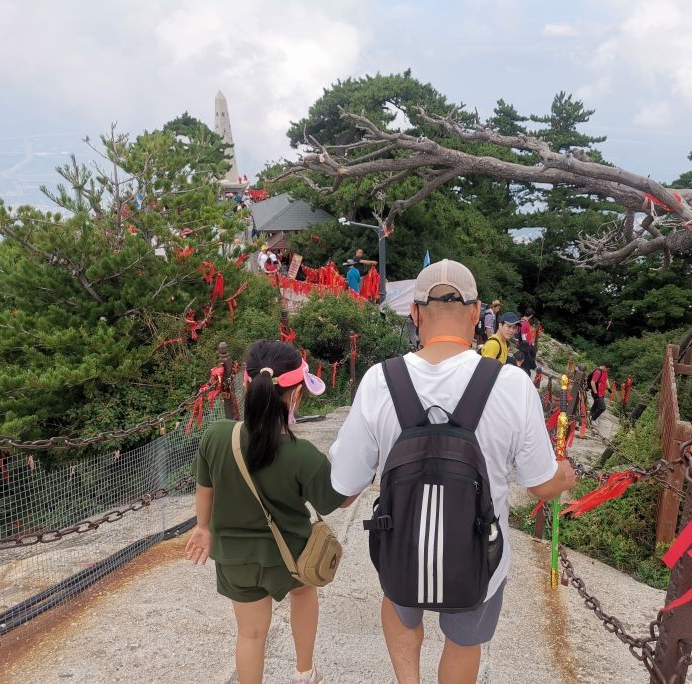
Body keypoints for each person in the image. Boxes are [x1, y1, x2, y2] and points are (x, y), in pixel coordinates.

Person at [327, 259, 576, 684]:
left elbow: (344, 489)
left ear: (415, 313)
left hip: (401, 543)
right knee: (464, 641)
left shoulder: (378, 381)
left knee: (401, 608)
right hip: (479, 555)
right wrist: (567, 474)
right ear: (477, 314)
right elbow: (541, 487)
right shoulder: (512, 384)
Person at [185, 340, 346, 684]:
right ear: (297, 394)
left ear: (246, 383)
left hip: (235, 560)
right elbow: (337, 500)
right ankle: (304, 671)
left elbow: (205, 485)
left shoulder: (216, 436)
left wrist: (202, 526)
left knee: (251, 634)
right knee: (304, 591)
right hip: (291, 555)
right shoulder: (303, 455)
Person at [517, 308, 537, 376]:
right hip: (525, 346)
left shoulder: (525, 321)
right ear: (531, 315)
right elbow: (523, 335)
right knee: (525, 361)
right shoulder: (523, 322)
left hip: (528, 344)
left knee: (532, 355)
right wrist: (526, 346)